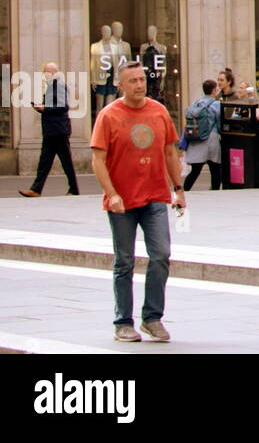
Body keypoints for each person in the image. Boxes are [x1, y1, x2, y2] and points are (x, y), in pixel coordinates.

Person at [90, 61, 184, 343]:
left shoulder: (159, 111)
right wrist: (112, 193)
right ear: (120, 85)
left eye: (142, 79)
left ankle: (152, 318)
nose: (140, 85)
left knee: (161, 255)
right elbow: (98, 159)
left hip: (155, 195)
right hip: (123, 200)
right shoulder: (108, 115)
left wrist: (178, 189)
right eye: (132, 81)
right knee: (125, 261)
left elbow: (170, 152)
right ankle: (123, 321)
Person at [20, 61, 79, 198]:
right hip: (52, 130)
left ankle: (74, 189)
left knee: (65, 161)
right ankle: (36, 189)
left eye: (47, 72)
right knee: (45, 161)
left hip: (58, 130)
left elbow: (63, 107)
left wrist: (44, 109)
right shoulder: (52, 86)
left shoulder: (58, 86)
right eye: (44, 72)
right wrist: (41, 109)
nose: (45, 74)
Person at [182, 80, 223, 192]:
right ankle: (214, 191)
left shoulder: (196, 103)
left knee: (195, 170)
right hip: (211, 138)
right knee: (215, 168)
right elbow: (219, 122)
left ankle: (185, 191)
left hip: (197, 138)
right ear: (214, 90)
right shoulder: (215, 104)